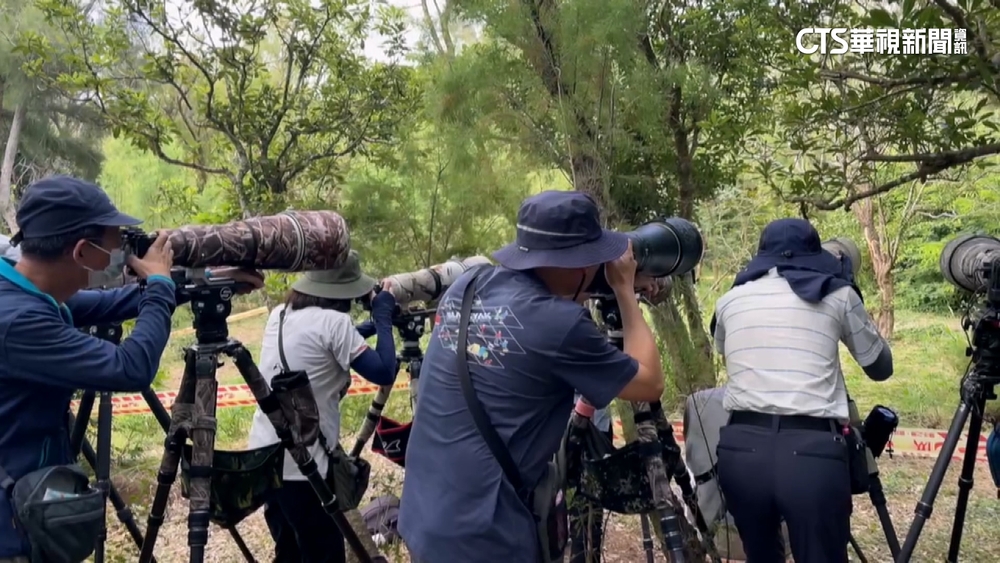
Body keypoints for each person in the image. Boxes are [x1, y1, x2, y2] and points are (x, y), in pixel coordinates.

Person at [0, 176, 264, 561]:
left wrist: (202, 280)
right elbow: (131, 367)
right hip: (11, 531)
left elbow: (110, 304)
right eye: (116, 245)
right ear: (82, 253)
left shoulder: (24, 289)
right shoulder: (19, 322)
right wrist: (157, 282)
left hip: (27, 498)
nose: (122, 256)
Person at [398, 190, 666, 563]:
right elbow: (650, 381)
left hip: (426, 513)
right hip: (486, 535)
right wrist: (623, 289)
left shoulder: (467, 287)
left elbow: (525, 323)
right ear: (578, 264)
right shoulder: (561, 325)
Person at [712, 218, 893, 563]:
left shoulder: (729, 300)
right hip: (811, 454)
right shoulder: (837, 294)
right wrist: (850, 291)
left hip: (740, 450)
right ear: (815, 255)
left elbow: (727, 348)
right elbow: (881, 368)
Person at [250, 250, 398, 563]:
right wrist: (383, 318)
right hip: (305, 467)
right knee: (324, 552)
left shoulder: (280, 313)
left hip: (266, 457)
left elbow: (318, 343)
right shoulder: (336, 322)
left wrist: (368, 327)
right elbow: (384, 371)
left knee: (288, 552)